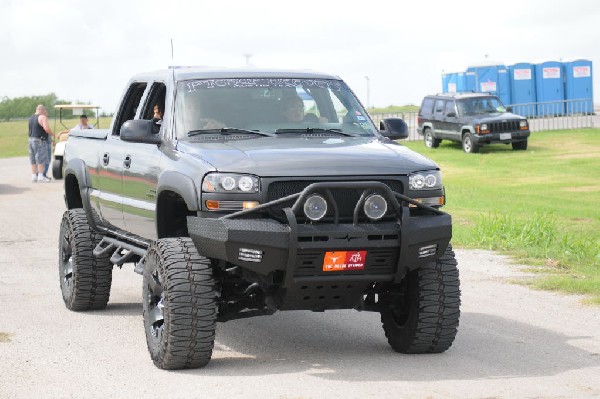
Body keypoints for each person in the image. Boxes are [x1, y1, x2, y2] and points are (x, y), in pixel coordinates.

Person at [28, 104, 55, 182]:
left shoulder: (31, 118)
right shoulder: (42, 117)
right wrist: (53, 134)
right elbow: (46, 129)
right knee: (41, 158)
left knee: (33, 159)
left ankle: (34, 176)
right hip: (40, 140)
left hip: (30, 139)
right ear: (42, 110)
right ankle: (40, 176)